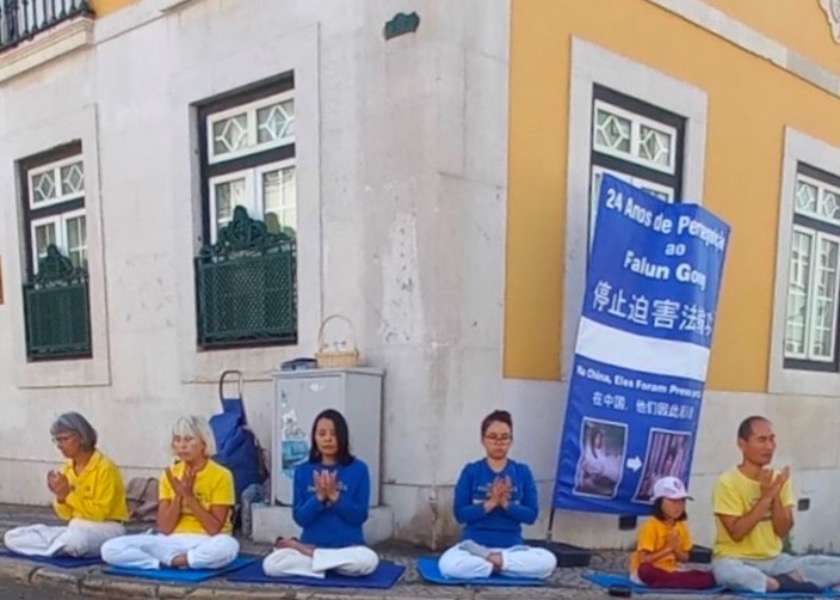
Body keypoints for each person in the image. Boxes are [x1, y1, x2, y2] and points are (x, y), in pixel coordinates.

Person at [712, 416, 840, 594]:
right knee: (728, 573)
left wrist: (776, 494)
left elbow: (783, 530)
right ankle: (785, 584)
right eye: (761, 440)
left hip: (776, 561)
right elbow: (736, 533)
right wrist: (766, 498)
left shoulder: (778, 479)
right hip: (737, 560)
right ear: (742, 444)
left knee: (833, 564)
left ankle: (775, 583)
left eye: (772, 439)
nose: (769, 447)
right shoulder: (728, 481)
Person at [101, 416, 239, 570]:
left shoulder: (221, 475)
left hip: (207, 541)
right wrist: (179, 496)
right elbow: (165, 528)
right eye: (177, 440)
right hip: (171, 541)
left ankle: (178, 560)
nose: (182, 446)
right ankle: (168, 562)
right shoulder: (170, 475)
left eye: (188, 440)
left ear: (204, 443)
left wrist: (189, 496)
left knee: (228, 546)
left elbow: (213, 528)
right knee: (109, 548)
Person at [438, 410, 557, 580]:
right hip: (474, 548)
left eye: (504, 437)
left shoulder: (522, 472)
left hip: (511, 549)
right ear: (483, 440)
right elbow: (460, 515)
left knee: (548, 561)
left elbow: (531, 515)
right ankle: (503, 567)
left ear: (511, 441)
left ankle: (493, 564)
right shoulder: (471, 471)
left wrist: (507, 505)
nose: (498, 443)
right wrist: (491, 503)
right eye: (492, 437)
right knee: (449, 566)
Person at [262, 409, 378, 578]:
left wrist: (335, 497)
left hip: (347, 549)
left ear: (343, 437)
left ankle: (316, 561)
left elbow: (359, 516)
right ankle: (329, 564)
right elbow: (300, 518)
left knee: (368, 561)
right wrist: (319, 498)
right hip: (311, 544)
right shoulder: (303, 470)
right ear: (314, 438)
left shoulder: (359, 469)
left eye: (333, 434)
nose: (327, 439)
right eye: (322, 434)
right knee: (271, 565)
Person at [3, 413, 127, 557]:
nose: (60, 446)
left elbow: (100, 514)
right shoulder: (67, 469)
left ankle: (57, 547)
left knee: (75, 540)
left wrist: (68, 494)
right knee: (12, 536)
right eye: (57, 440)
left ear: (81, 437)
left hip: (106, 528)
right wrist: (60, 496)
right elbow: (66, 515)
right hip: (75, 527)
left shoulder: (105, 468)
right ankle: (57, 548)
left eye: (64, 439)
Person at [629, 476, 716, 589]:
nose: (678, 506)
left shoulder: (681, 526)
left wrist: (675, 550)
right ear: (660, 502)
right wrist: (668, 548)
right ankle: (674, 583)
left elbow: (685, 558)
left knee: (709, 578)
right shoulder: (651, 525)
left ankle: (669, 583)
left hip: (671, 570)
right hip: (649, 571)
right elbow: (643, 560)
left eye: (682, 501)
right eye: (673, 501)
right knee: (645, 570)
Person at [577, 426, 620, 496]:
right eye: (597, 438)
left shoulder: (600, 452)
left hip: (599, 476)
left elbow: (603, 465)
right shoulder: (587, 451)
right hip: (587, 479)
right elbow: (582, 468)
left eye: (600, 438)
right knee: (589, 483)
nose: (599, 440)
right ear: (593, 438)